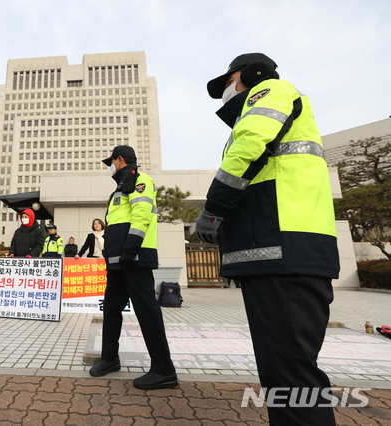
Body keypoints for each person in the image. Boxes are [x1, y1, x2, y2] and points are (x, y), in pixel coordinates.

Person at [197, 53, 340, 425]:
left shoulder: (270, 91)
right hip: (281, 250)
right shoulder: (268, 104)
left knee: (291, 375)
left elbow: (249, 148)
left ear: (248, 74)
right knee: (283, 370)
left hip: (286, 248)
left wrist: (214, 208)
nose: (227, 91)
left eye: (229, 82)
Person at [89, 145, 177, 390]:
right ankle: (110, 358)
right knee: (112, 309)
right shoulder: (120, 186)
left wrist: (130, 249)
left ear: (120, 159)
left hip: (134, 258)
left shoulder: (140, 180)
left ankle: (164, 370)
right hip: (118, 261)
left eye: (112, 161)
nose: (111, 166)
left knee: (147, 310)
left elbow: (141, 216)